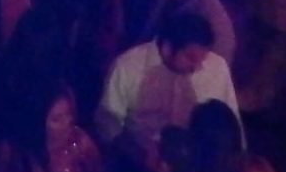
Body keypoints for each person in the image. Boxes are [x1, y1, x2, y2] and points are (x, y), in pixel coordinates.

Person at [97, 11, 238, 148]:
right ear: (167, 48)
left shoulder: (217, 67)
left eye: (202, 59)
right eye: (191, 58)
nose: (196, 67)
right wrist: (136, 151)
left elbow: (231, 125)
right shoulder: (127, 67)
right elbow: (108, 124)